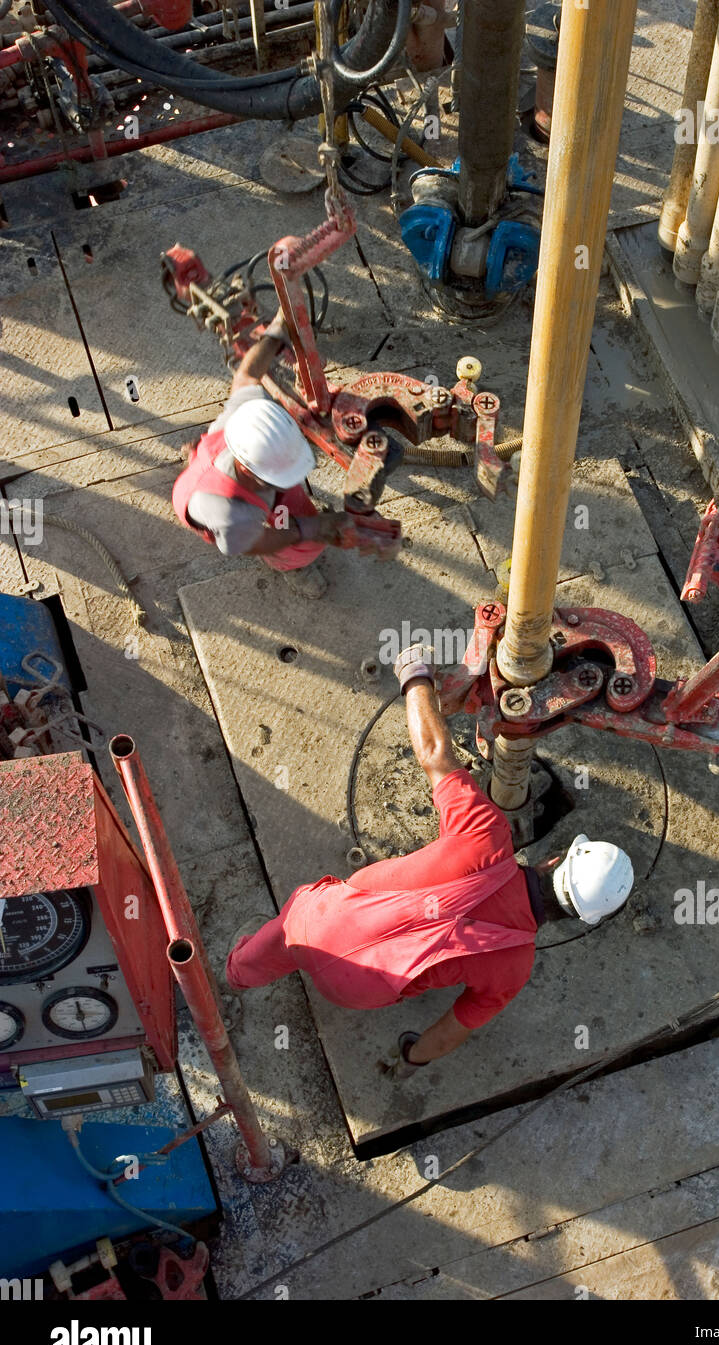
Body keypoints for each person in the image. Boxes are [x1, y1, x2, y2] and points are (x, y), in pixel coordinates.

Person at [225, 646, 634, 1075]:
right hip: (355, 993)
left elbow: (436, 755)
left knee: (289, 924)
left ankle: (238, 973)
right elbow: (451, 1030)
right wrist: (410, 1059)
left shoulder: (486, 837)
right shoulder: (515, 968)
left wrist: (414, 674)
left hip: (315, 921)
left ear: (555, 860)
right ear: (577, 918)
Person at [172, 308, 397, 598]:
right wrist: (309, 529)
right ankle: (292, 566)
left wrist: (276, 333)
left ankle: (199, 463)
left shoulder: (241, 420)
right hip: (225, 512)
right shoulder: (233, 515)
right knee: (298, 543)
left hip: (216, 469)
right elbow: (255, 543)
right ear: (251, 471)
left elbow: (247, 374)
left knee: (294, 502)